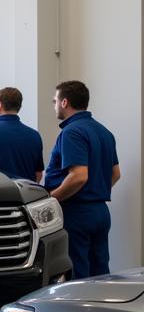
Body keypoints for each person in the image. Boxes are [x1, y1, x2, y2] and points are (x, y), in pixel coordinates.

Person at [44, 80, 120, 280]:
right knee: (100, 273)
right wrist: (96, 190)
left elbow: (78, 176)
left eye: (55, 101)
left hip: (77, 212)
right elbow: (116, 174)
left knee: (78, 275)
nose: (54, 105)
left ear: (64, 102)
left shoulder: (72, 132)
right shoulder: (104, 132)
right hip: (101, 212)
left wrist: (52, 199)